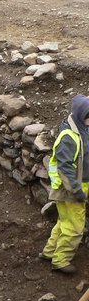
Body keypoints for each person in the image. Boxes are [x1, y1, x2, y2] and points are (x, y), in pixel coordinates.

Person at [40, 94, 89, 274]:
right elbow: (65, 167)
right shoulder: (69, 137)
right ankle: (60, 261)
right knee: (74, 228)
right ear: (80, 115)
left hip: (79, 185)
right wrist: (76, 190)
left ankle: (49, 252)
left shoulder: (82, 128)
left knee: (64, 222)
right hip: (69, 189)